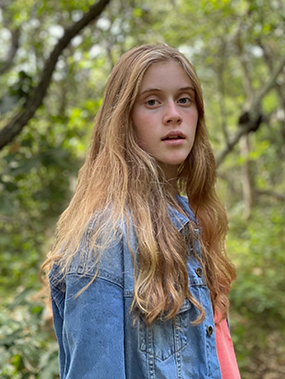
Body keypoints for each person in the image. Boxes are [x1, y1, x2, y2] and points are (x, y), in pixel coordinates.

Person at [44, 44, 240, 378]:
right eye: (152, 101)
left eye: (184, 100)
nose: (173, 114)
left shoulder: (191, 221)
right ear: (122, 119)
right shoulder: (102, 241)